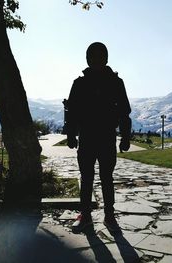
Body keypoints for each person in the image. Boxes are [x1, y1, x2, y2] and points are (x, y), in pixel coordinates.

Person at [66, 42, 131, 233]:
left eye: (100, 55)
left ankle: (109, 216)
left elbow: (124, 112)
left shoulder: (116, 83)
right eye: (93, 56)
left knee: (106, 178)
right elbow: (72, 112)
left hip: (107, 137)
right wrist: (71, 134)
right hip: (86, 137)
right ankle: (85, 215)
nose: (96, 59)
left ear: (106, 58)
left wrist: (125, 137)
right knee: (86, 178)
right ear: (88, 59)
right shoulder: (79, 83)